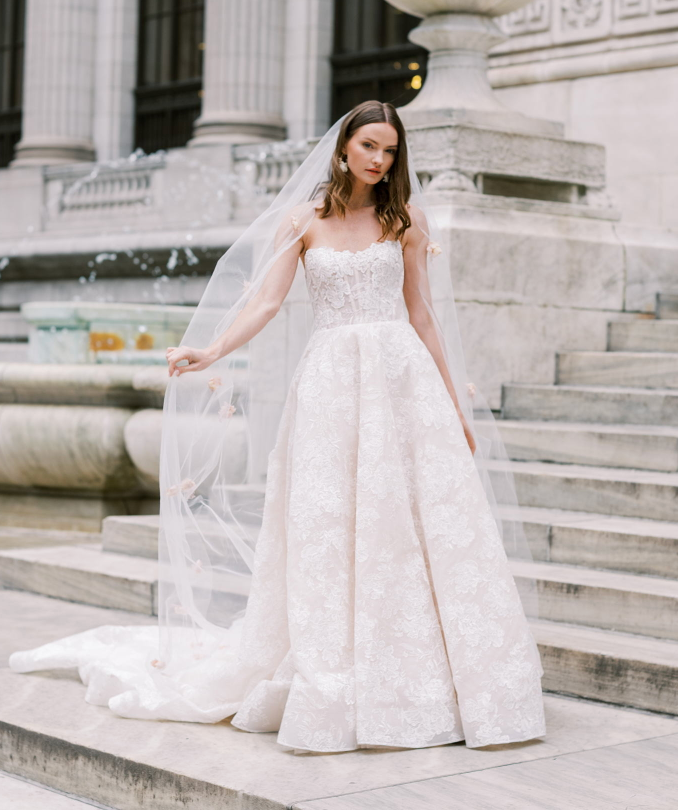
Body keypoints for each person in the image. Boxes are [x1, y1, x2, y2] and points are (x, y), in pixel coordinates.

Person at [10, 100, 546, 754]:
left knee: (410, 519)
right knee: (329, 523)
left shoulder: (405, 221)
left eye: (390, 151)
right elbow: (264, 302)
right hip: (329, 385)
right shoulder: (302, 222)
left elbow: (424, 316)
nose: (379, 160)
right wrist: (211, 351)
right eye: (370, 146)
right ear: (344, 146)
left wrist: (455, 404)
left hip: (401, 380)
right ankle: (333, 668)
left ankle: (431, 679)